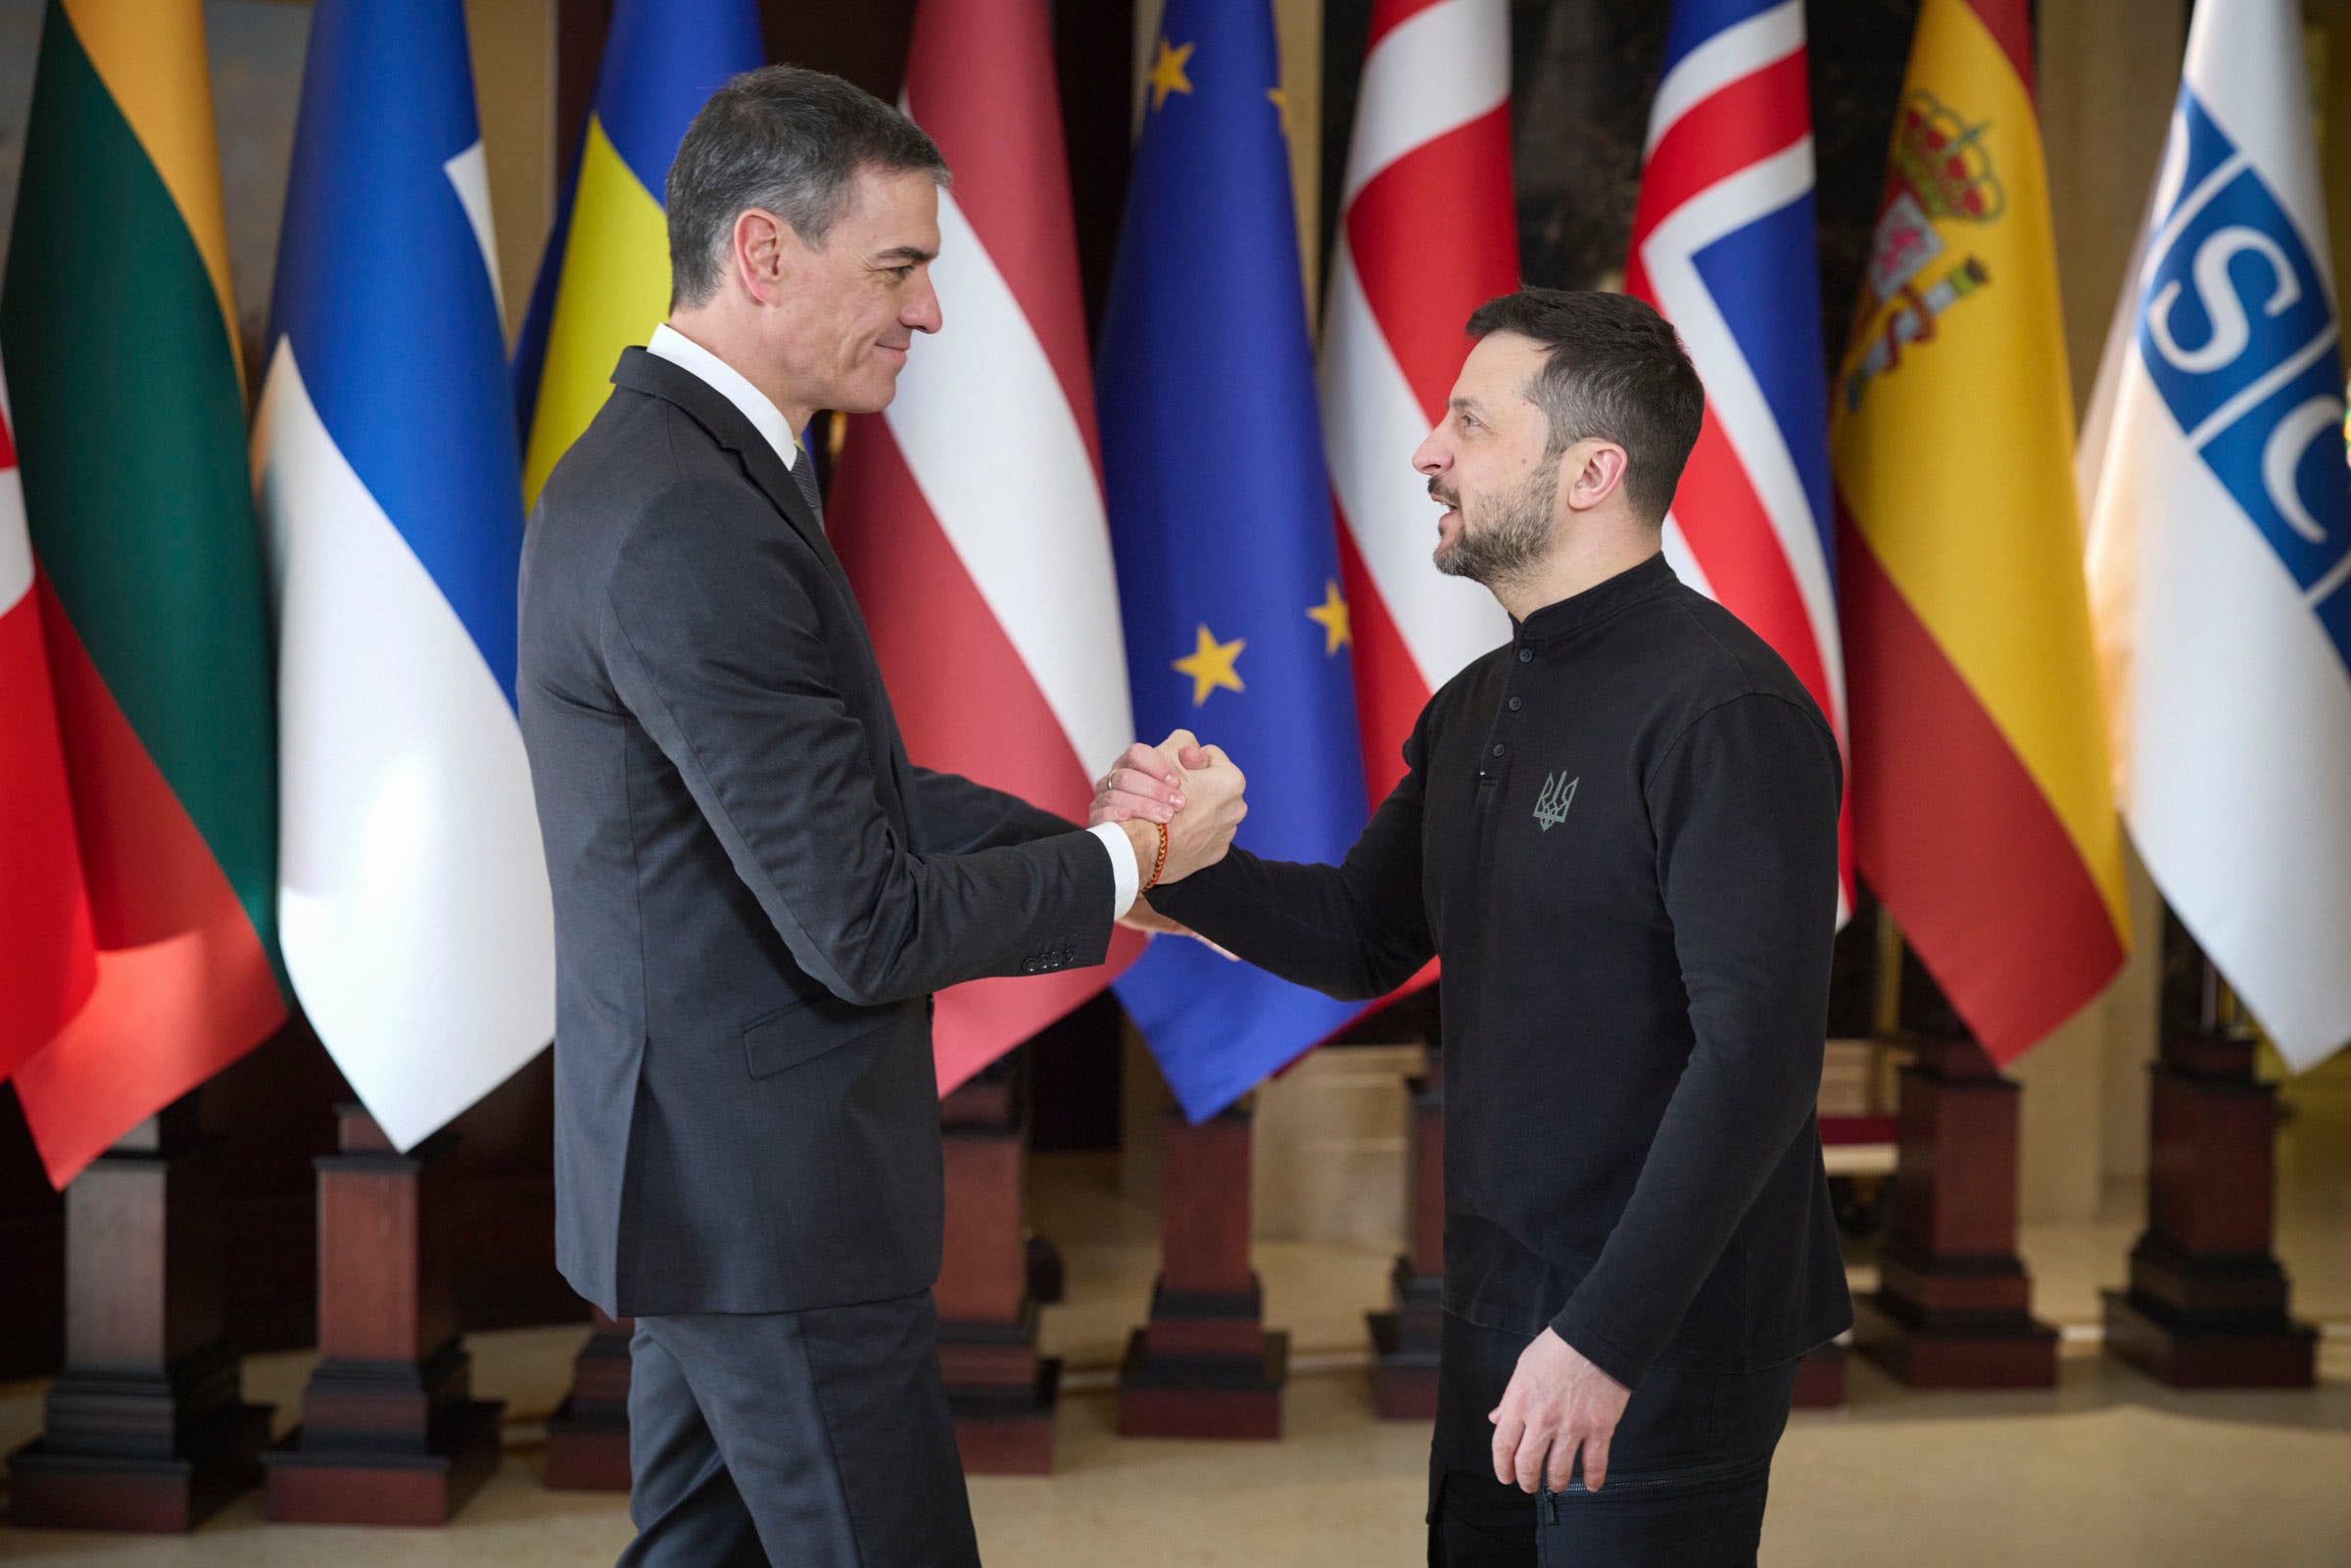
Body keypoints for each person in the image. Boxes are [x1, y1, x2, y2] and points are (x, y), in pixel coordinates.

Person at [516, 65, 1242, 1568]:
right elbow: (860, 922)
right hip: (771, 1212)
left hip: (715, 1196)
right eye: (901, 266)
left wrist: (1090, 846)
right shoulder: (688, 516)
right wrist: (1122, 868)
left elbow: (853, 790)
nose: (928, 313)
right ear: (766, 253)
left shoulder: (688, 470)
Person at [1095, 289, 1849, 1567]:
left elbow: (1758, 1061)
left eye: (1468, 422)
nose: (1425, 451)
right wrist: (1171, 861)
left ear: (1589, 472)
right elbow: (1359, 932)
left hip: (1660, 1329)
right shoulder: (1482, 697)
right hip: (1499, 1304)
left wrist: (1606, 1338)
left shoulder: (1726, 710)